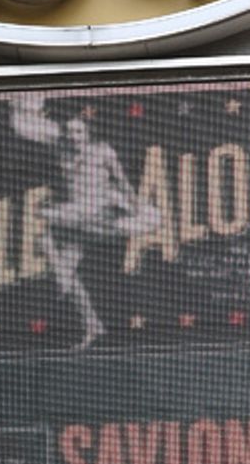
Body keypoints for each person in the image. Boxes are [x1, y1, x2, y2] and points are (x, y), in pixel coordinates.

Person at [10, 95, 158, 346]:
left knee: (46, 226)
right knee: (64, 267)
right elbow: (26, 128)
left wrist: (135, 208)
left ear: (88, 133)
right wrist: (22, 106)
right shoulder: (62, 148)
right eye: (70, 132)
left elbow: (122, 182)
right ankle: (92, 324)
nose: (73, 136)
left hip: (102, 215)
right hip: (79, 219)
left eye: (78, 131)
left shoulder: (102, 151)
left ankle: (64, 276)